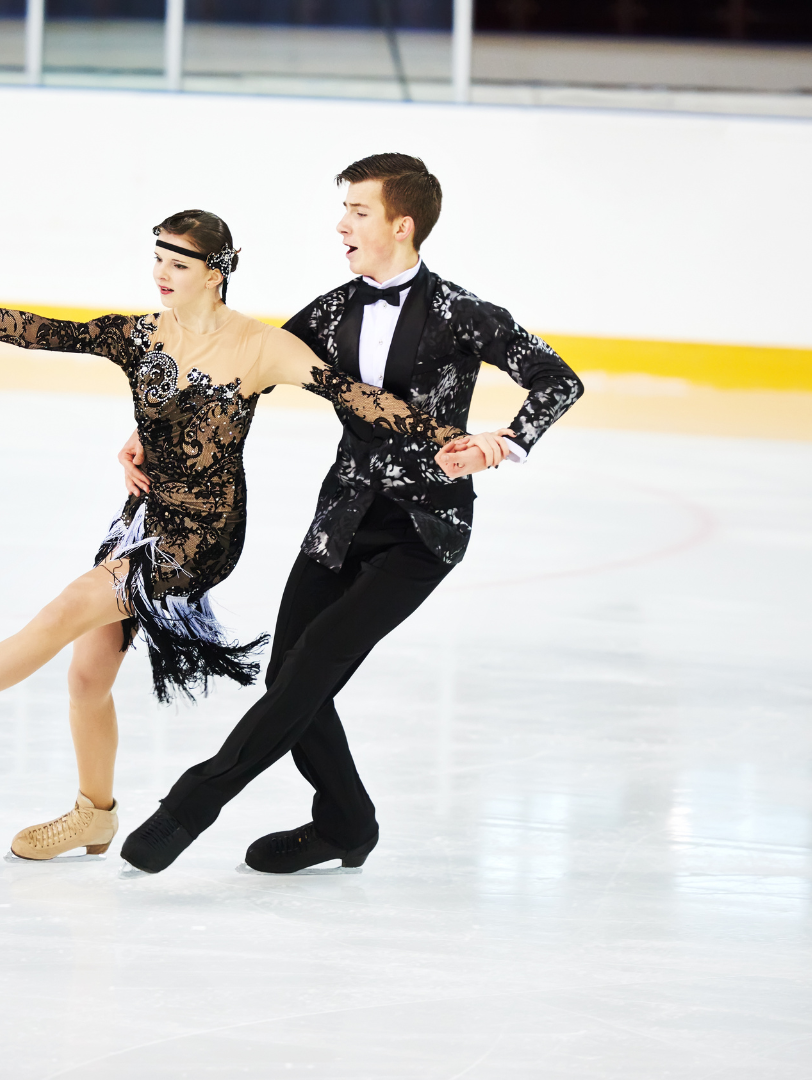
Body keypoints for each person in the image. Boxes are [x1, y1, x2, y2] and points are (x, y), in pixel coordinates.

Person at [0, 208, 479, 864]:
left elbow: (355, 395)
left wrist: (452, 439)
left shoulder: (260, 347)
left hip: (202, 535)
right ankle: (93, 815)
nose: (161, 274)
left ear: (216, 273)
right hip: (142, 519)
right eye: (159, 259)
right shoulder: (140, 336)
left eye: (178, 263)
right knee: (88, 676)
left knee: (64, 610)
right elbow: (49, 331)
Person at [117, 156, 585, 875]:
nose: (342, 224)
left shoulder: (464, 312)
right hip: (341, 518)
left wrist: (502, 443)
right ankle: (346, 822)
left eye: (358, 211)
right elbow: (242, 368)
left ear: (402, 225)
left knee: (313, 666)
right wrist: (155, 429)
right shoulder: (331, 311)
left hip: (423, 531)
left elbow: (558, 379)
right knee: (290, 675)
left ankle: (193, 803)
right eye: (344, 210)